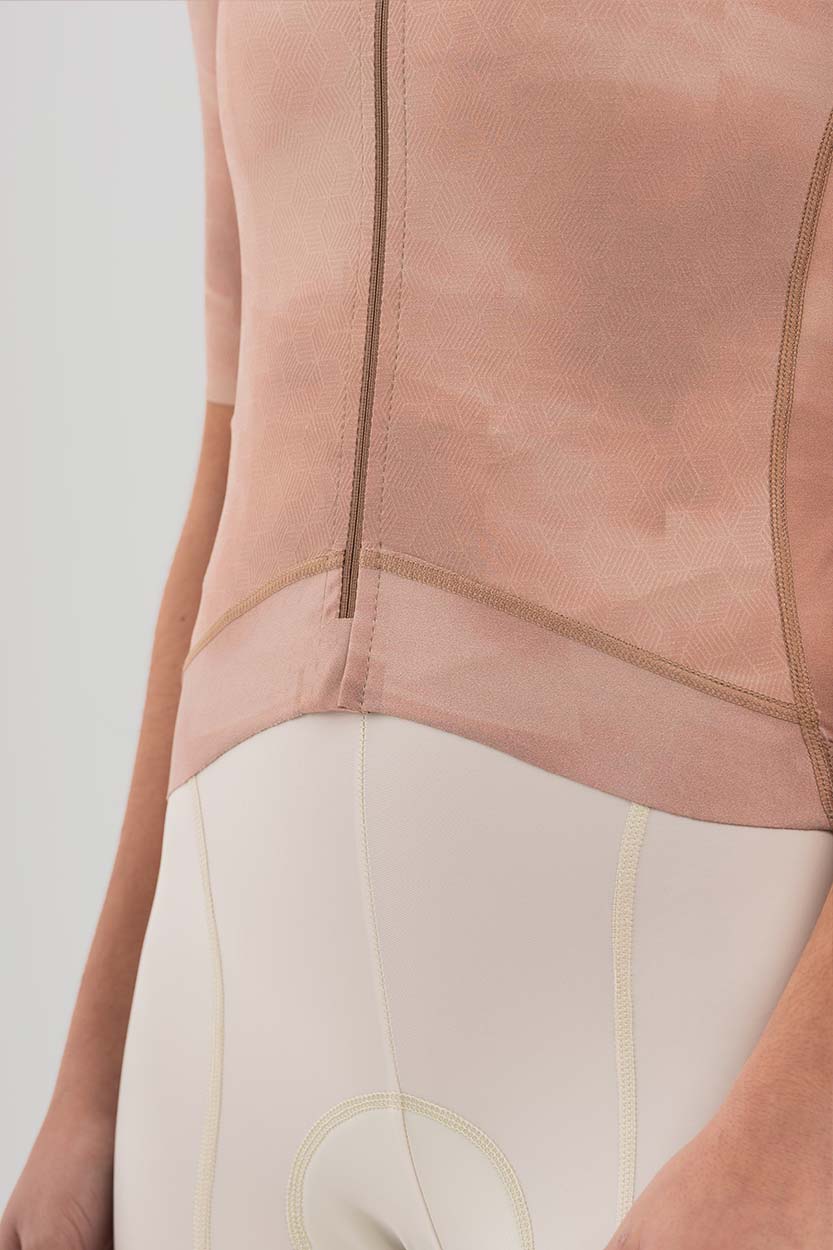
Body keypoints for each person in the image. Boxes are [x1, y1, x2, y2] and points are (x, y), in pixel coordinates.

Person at [3, 2, 832, 1247]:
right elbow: (235, 438)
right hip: (225, 1042)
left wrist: (799, 1128)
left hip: (669, 1008)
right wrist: (92, 1071)